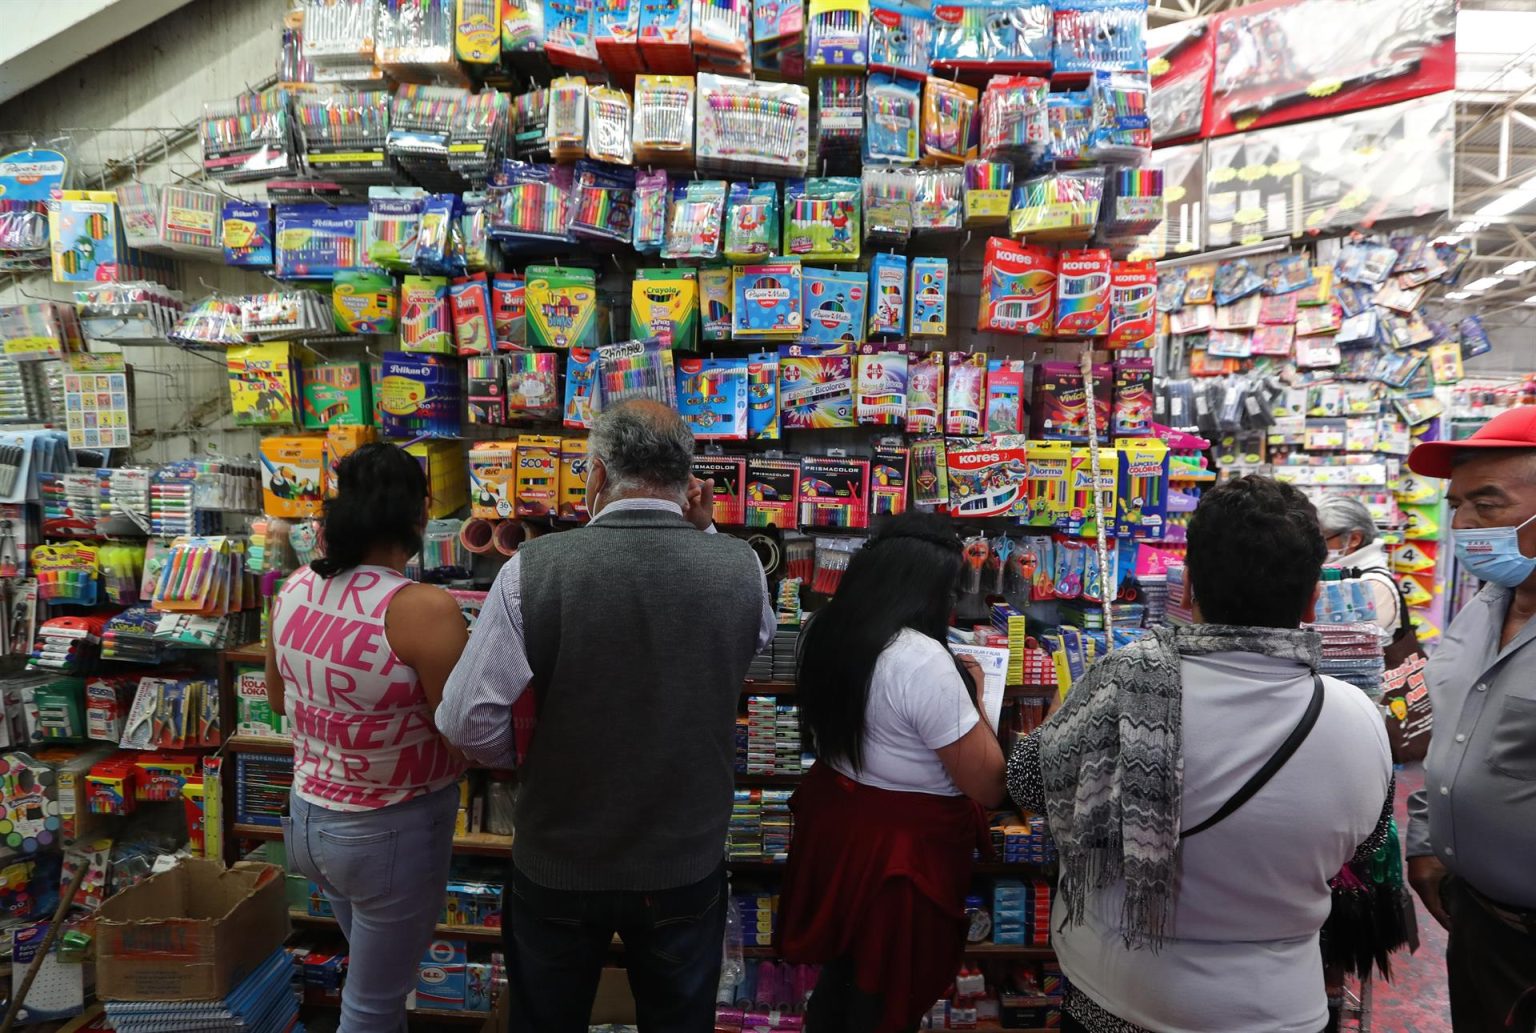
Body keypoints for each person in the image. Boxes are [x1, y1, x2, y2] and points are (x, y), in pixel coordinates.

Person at [1007, 475, 1393, 1033]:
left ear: (1186, 589)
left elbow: (1025, 781)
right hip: (1282, 1008)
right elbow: (1369, 845)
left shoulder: (1123, 684)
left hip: (1120, 1001)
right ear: (1313, 597)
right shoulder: (1359, 717)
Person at [436, 400, 774, 1033]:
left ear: (595, 475)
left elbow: (464, 721)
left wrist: (530, 758)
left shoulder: (531, 570)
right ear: (690, 479)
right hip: (684, 861)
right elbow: (748, 644)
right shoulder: (740, 568)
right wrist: (704, 533)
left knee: (545, 1019)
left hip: (561, 858)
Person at [265, 443, 470, 1033]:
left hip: (310, 822)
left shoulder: (298, 585)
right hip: (388, 831)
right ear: (421, 516)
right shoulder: (423, 609)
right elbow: (461, 735)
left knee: (374, 984)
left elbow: (280, 701)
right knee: (373, 1003)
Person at [776, 512, 1007, 1033]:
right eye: (949, 593)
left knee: (846, 981)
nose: (952, 604)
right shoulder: (922, 661)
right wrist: (979, 697)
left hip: (840, 833)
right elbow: (989, 785)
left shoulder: (826, 628)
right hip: (901, 860)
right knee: (882, 997)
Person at [1403, 405, 1536, 1033]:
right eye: (1456, 504)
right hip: (1479, 924)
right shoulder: (1483, 606)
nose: (1462, 524)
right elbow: (1455, 731)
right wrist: (1429, 842)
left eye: (1486, 503)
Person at [1316, 495, 1406, 639]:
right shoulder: (1338, 574)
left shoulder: (1373, 584)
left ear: (1354, 539)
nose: (1316, 546)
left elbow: (1352, 642)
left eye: (1321, 539)